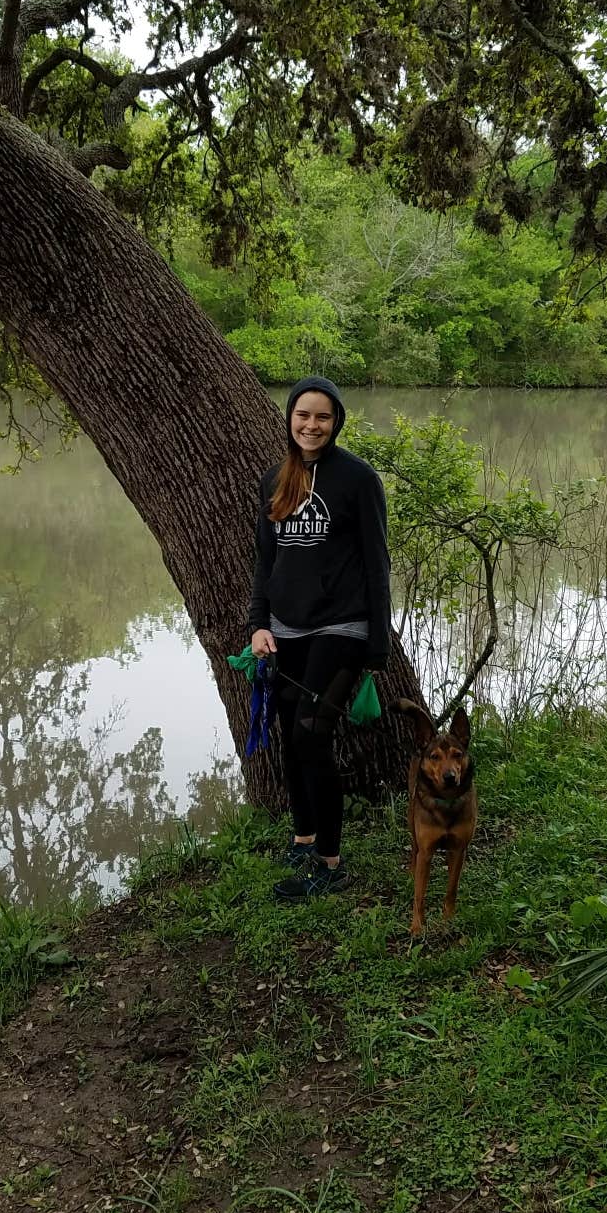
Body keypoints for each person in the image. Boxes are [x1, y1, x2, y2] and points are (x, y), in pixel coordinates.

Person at [246, 376, 391, 900]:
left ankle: (329, 862)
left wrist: (378, 642)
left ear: (337, 423)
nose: (311, 425)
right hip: (286, 629)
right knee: (289, 736)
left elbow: (378, 563)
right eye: (303, 415)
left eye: (322, 417)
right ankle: (303, 835)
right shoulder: (275, 479)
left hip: (343, 627)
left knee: (312, 734)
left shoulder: (358, 479)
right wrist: (258, 623)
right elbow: (267, 560)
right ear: (290, 419)